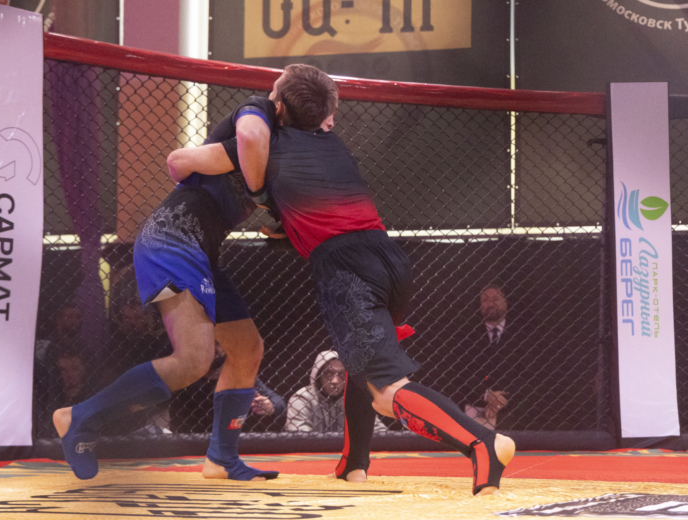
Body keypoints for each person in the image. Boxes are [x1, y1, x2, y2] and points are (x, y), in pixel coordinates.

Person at [170, 64, 515, 495]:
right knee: (358, 363)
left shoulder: (267, 138)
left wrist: (256, 187)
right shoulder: (332, 144)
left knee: (385, 389)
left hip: (346, 269)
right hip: (388, 258)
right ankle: (355, 464)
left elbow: (182, 161)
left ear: (279, 107)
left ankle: (482, 442)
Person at [52, 97, 280, 482]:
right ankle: (78, 417)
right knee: (193, 359)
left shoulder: (287, 160)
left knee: (247, 348)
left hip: (201, 251)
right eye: (324, 118)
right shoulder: (251, 128)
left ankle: (221, 459)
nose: (327, 127)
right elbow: (182, 159)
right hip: (169, 241)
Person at [171, 343, 286, 433]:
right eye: (208, 343)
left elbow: (279, 402)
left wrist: (271, 406)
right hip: (196, 443)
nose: (213, 348)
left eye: (218, 343)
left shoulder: (240, 375)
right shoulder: (186, 380)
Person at [459, 284, 522, 430]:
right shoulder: (467, 336)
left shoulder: (521, 336)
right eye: (485, 300)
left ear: (506, 302)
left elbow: (527, 375)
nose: (490, 304)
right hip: (474, 405)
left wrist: (501, 399)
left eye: (495, 299)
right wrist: (487, 395)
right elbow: (462, 372)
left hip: (513, 408)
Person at [285, 350, 386, 433]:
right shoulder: (302, 399)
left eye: (342, 374)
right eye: (329, 374)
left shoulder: (356, 401)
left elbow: (381, 434)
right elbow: (299, 439)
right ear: (318, 376)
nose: (335, 381)